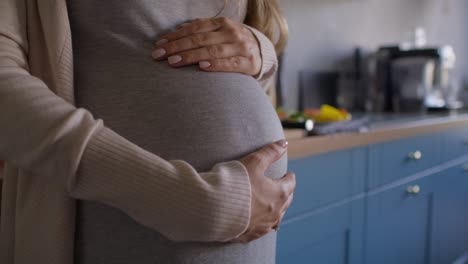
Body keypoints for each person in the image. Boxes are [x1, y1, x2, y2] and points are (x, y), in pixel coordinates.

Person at [0, 0, 296, 263]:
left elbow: (222, 70)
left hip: (246, 238)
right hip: (118, 230)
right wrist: (181, 199)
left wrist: (260, 52)